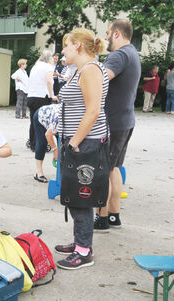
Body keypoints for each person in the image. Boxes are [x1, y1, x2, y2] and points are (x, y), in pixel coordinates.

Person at [54, 28, 108, 270]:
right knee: (76, 195)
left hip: (86, 143)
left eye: (66, 45)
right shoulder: (80, 70)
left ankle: (84, 252)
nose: (63, 50)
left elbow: (93, 111)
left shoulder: (90, 70)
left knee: (82, 197)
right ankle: (80, 243)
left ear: (77, 45)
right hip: (79, 141)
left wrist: (74, 142)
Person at [94, 19, 141, 232]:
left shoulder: (119, 55)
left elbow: (100, 79)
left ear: (116, 34)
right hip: (125, 121)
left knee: (103, 170)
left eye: (107, 33)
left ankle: (102, 218)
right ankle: (114, 216)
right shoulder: (132, 53)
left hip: (112, 123)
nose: (105, 37)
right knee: (113, 168)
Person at [26, 50, 58, 151]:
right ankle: (40, 145)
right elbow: (49, 81)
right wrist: (52, 95)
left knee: (33, 121)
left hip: (31, 96)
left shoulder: (35, 66)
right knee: (42, 122)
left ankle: (33, 144)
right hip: (42, 97)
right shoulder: (48, 67)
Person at [32, 103, 60, 183]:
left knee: (63, 145)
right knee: (42, 143)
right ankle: (38, 172)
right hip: (41, 116)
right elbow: (48, 134)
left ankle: (63, 172)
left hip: (53, 118)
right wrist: (55, 150)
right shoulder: (59, 119)